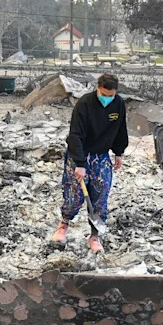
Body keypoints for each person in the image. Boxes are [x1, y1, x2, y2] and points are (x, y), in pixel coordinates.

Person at [52, 73, 128, 252]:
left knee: (101, 196)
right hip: (80, 154)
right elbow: (75, 135)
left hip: (101, 156)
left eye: (111, 95)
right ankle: (64, 224)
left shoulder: (118, 104)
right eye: (104, 94)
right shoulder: (85, 104)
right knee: (75, 195)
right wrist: (79, 163)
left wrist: (119, 152)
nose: (107, 99)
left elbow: (120, 129)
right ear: (97, 88)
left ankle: (94, 235)